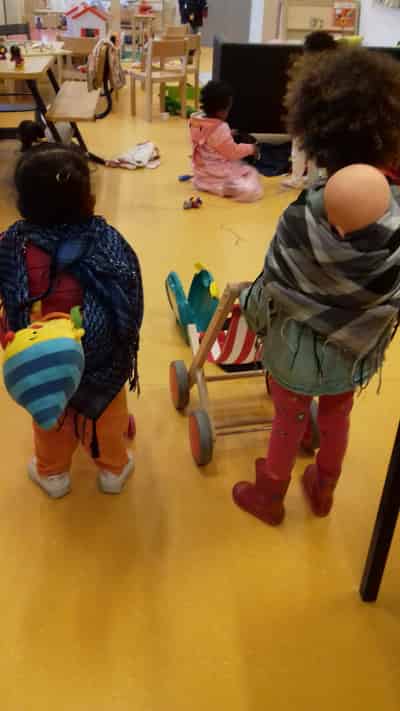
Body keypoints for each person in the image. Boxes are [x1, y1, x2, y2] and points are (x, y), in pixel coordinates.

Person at [232, 47, 400, 526]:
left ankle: (270, 494)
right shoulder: (394, 214)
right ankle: (324, 487)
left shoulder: (303, 215)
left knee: (287, 418)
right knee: (337, 416)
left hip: (295, 349)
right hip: (354, 348)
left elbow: (276, 277)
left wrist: (251, 307)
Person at [0, 144, 143, 499]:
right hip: (100, 357)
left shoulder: (12, 244)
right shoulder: (106, 240)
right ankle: (113, 470)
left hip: (41, 355)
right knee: (106, 414)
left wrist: (9, 329)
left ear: (23, 202)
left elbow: (8, 295)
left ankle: (53, 475)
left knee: (51, 415)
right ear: (87, 199)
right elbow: (128, 293)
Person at [189, 80, 263, 202]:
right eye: (228, 109)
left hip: (201, 173)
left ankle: (206, 184)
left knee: (240, 170)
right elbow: (232, 152)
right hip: (217, 173)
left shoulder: (195, 121)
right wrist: (251, 148)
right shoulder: (220, 128)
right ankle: (227, 188)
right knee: (251, 173)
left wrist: (227, 135)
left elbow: (207, 140)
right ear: (221, 111)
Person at [282, 30, 337, 189]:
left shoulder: (308, 69)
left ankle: (297, 178)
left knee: (299, 147)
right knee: (315, 150)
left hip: (307, 114)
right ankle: (313, 178)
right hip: (325, 117)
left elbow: (299, 94)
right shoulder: (335, 68)